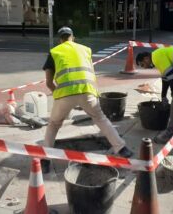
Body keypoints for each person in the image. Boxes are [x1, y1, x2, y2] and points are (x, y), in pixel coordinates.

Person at [41, 27, 134, 173]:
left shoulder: (55, 52)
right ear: (73, 37)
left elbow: (48, 82)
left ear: (60, 39)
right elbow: (89, 73)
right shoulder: (85, 50)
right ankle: (122, 148)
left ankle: (45, 160)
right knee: (100, 119)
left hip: (65, 94)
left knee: (53, 124)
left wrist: (58, 95)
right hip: (88, 91)